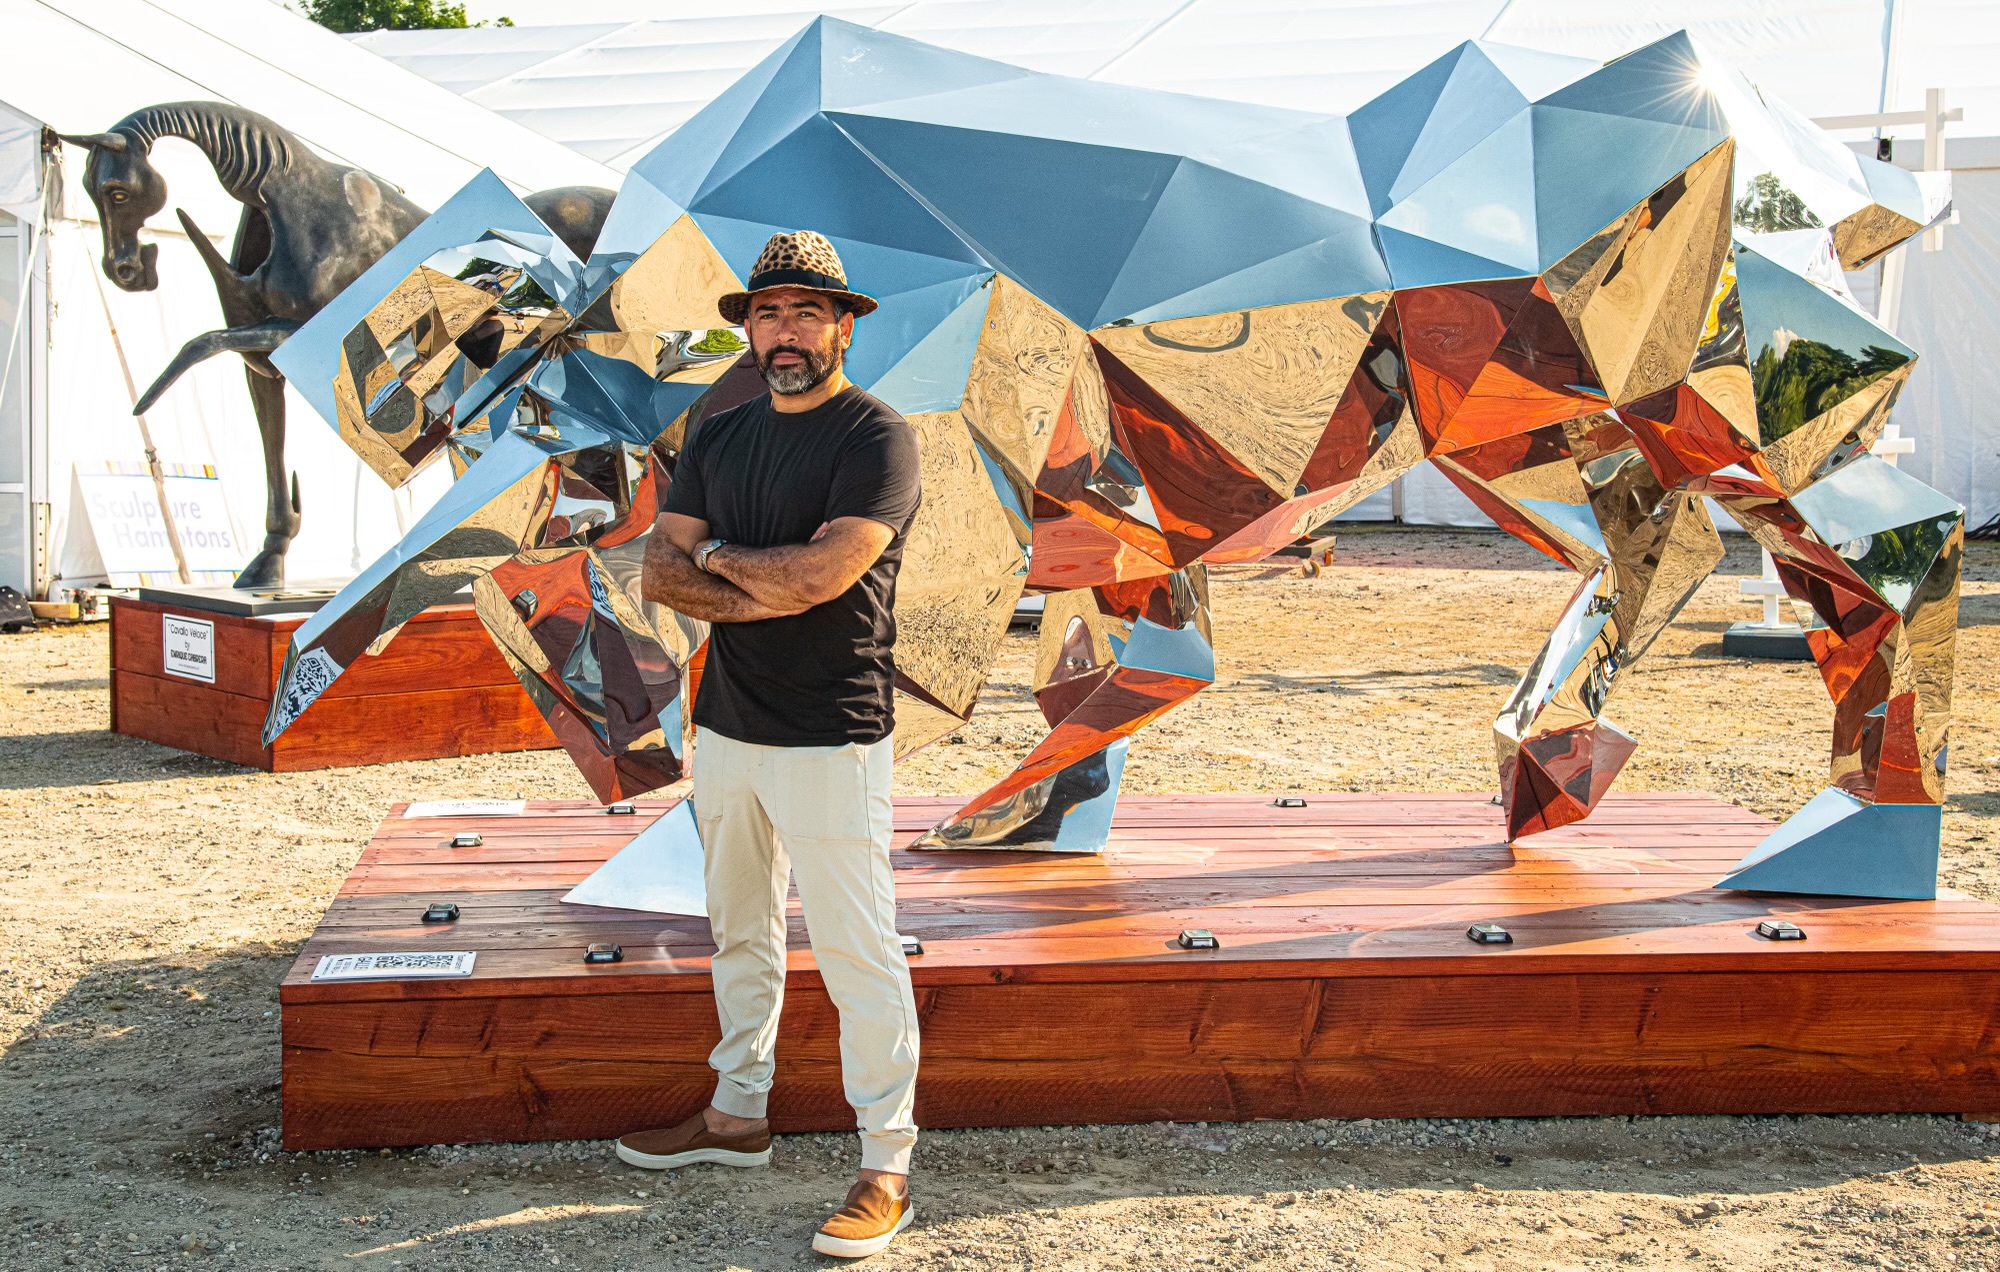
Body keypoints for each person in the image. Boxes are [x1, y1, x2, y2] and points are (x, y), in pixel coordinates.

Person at [617, 230, 924, 1260]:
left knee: (856, 949)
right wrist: (748, 570)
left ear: (843, 326)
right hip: (730, 728)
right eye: (766, 313)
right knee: (739, 930)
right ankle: (735, 1114)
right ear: (746, 328)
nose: (783, 332)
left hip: (830, 732)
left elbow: (818, 581)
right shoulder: (719, 431)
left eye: (804, 313)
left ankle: (886, 1163)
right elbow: (658, 577)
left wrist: (716, 558)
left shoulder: (876, 439)